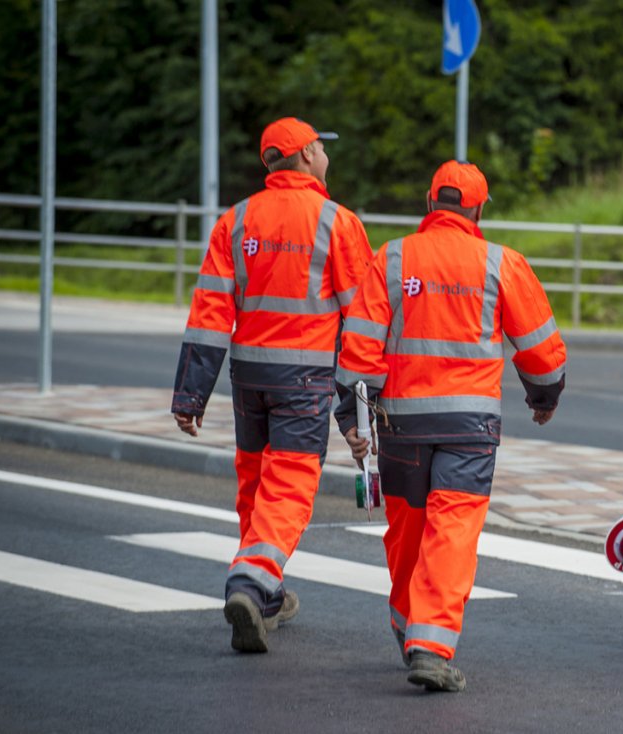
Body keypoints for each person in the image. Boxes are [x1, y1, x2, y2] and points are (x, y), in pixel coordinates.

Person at [335, 160, 566, 693]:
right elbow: (542, 352)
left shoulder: (391, 258)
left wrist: (351, 416)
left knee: (408, 530)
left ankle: (406, 623)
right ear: (480, 209)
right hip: (470, 426)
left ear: (428, 202)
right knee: (452, 530)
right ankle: (431, 645)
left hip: (399, 426)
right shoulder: (500, 262)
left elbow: (360, 346)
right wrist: (543, 396)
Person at [171, 117, 372, 653]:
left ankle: (265, 595)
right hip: (305, 379)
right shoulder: (338, 222)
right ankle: (251, 578)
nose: (326, 158)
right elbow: (364, 324)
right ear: (306, 154)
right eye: (321, 150)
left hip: (249, 377)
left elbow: (209, 312)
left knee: (255, 486)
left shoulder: (235, 221)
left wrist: (190, 394)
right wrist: (359, 415)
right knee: (288, 487)